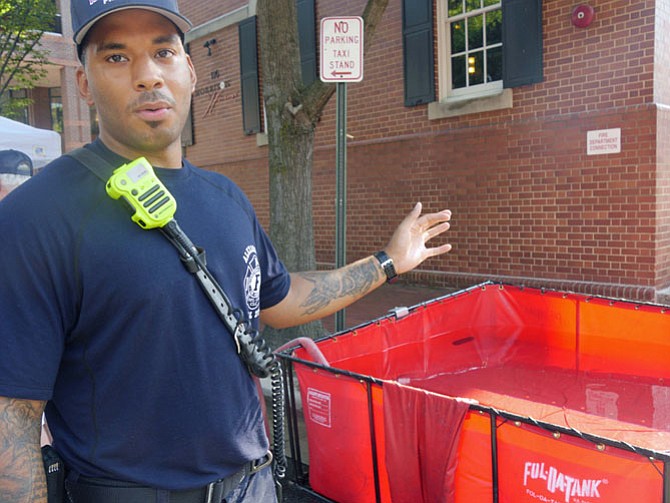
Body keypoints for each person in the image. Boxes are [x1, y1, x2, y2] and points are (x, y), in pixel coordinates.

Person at [0, 0, 453, 501]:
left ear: (190, 71)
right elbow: (13, 421)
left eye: (163, 52)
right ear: (84, 84)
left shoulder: (226, 199)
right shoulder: (35, 217)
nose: (148, 75)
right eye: (116, 57)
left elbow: (282, 300)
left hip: (252, 486)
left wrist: (388, 262)